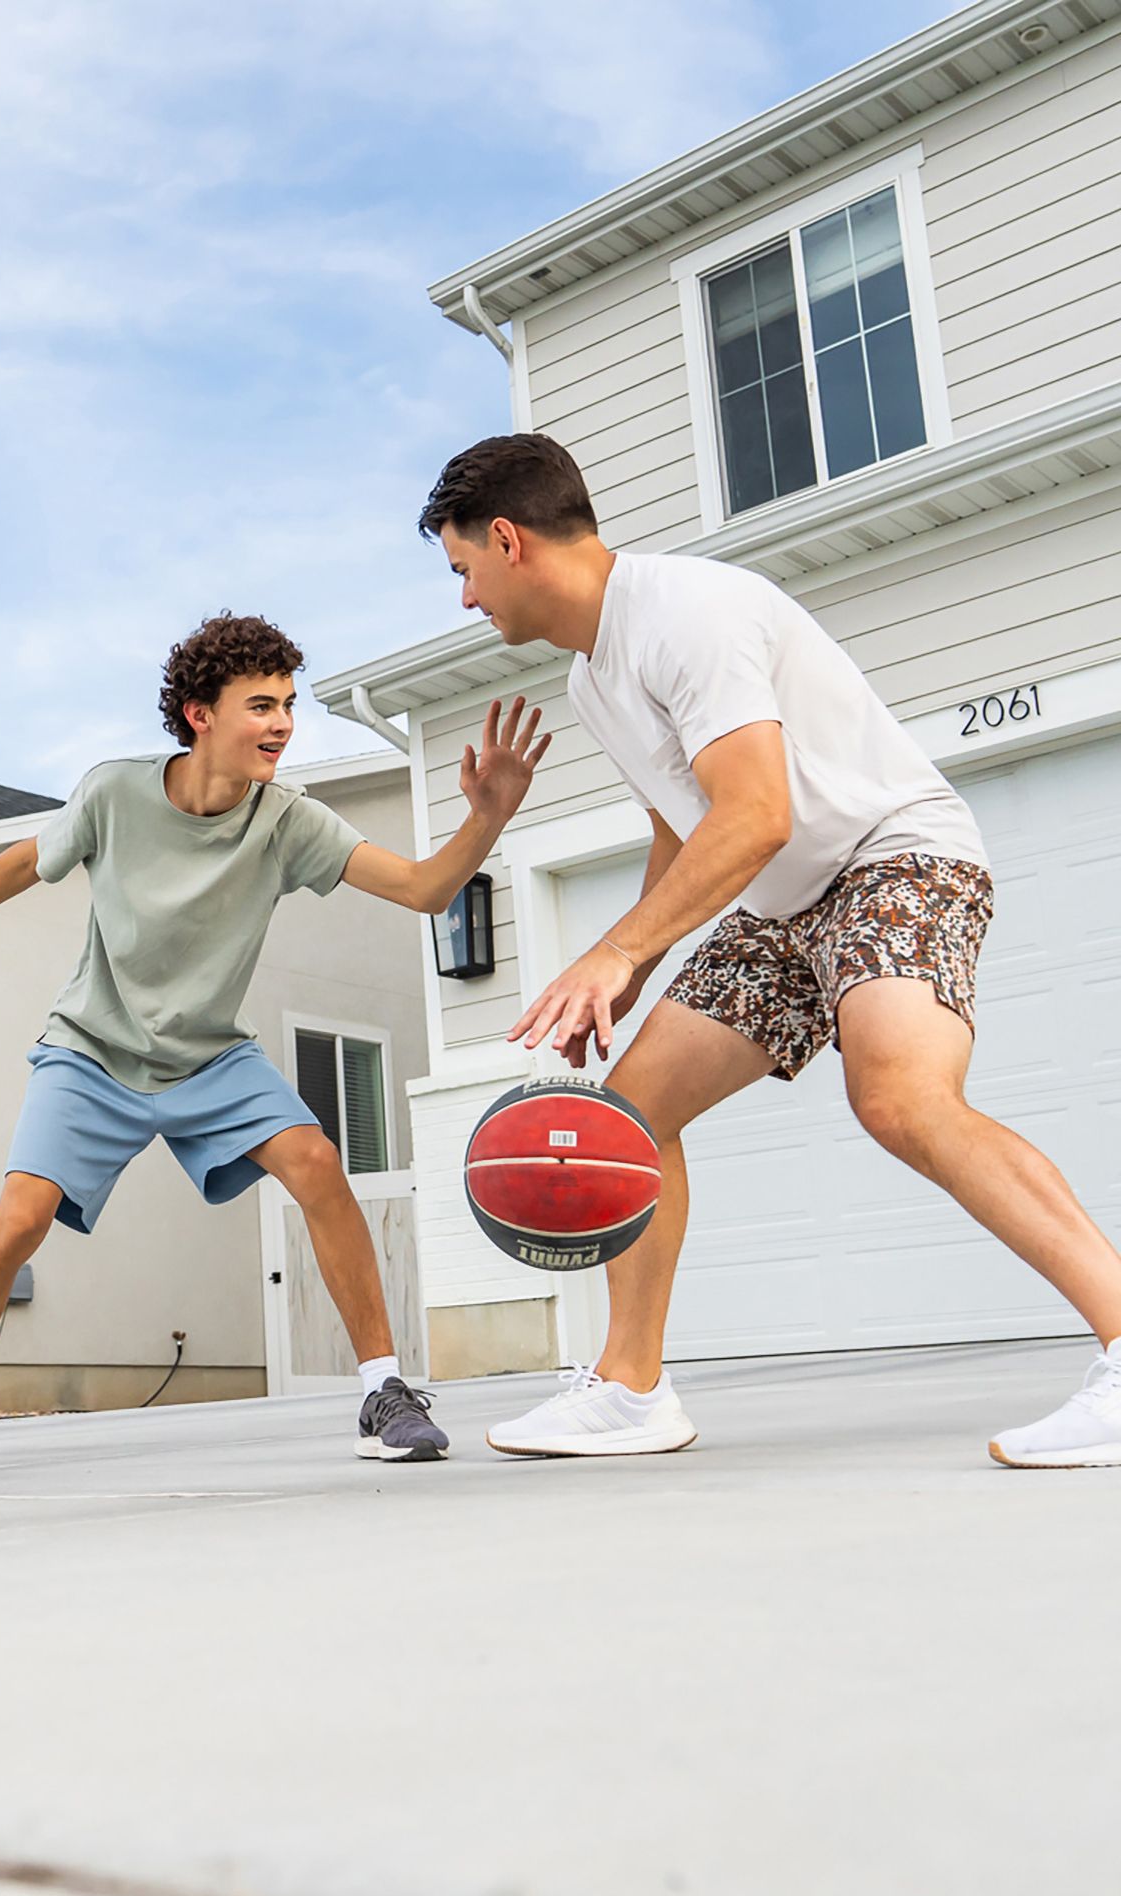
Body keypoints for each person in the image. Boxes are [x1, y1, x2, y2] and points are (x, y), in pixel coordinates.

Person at [419, 432, 1121, 1468]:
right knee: (629, 1113)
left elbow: (754, 813)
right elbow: (680, 826)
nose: (466, 597)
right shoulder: (592, 679)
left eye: (463, 568)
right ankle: (630, 1391)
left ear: (508, 540)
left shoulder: (685, 612)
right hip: (782, 903)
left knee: (901, 1098)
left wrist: (612, 950)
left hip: (894, 856)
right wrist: (626, 974)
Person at [0, 612, 550, 1487]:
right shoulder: (114, 794)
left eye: (288, 705)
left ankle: (384, 1392)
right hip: (93, 1051)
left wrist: (487, 816)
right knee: (20, 1217)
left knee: (317, 1163)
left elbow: (424, 889)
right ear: (200, 714)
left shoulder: (287, 821)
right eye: (262, 705)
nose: (283, 724)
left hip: (211, 1058)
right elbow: (26, 861)